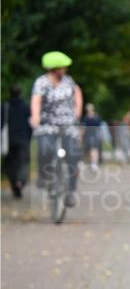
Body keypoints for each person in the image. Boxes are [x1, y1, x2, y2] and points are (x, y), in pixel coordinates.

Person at [31, 51, 83, 206]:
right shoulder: (41, 82)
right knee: (45, 149)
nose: (65, 69)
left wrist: (77, 113)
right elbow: (36, 100)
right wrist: (35, 117)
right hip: (48, 124)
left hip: (68, 123)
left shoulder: (69, 82)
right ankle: (43, 175)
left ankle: (71, 191)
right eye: (63, 67)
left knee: (73, 156)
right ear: (54, 68)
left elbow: (77, 95)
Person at [3, 86, 32, 198]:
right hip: (23, 139)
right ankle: (20, 182)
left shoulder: (5, 107)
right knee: (23, 163)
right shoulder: (26, 107)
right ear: (20, 93)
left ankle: (15, 184)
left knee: (11, 164)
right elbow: (30, 124)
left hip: (9, 140)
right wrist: (29, 137)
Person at [80, 103, 103, 171]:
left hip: (95, 135)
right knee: (87, 150)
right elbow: (83, 128)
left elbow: (100, 128)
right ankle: (88, 162)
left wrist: (101, 135)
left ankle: (94, 163)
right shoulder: (85, 118)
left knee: (94, 149)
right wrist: (81, 136)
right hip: (88, 135)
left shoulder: (97, 117)